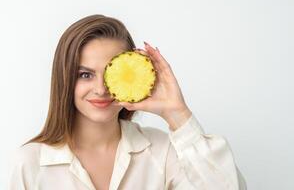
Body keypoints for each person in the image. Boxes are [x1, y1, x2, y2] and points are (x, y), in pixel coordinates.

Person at [8, 14, 247, 190]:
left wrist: (177, 112)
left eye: (113, 74)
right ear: (64, 80)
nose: (101, 89)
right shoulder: (29, 163)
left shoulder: (163, 152)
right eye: (85, 74)